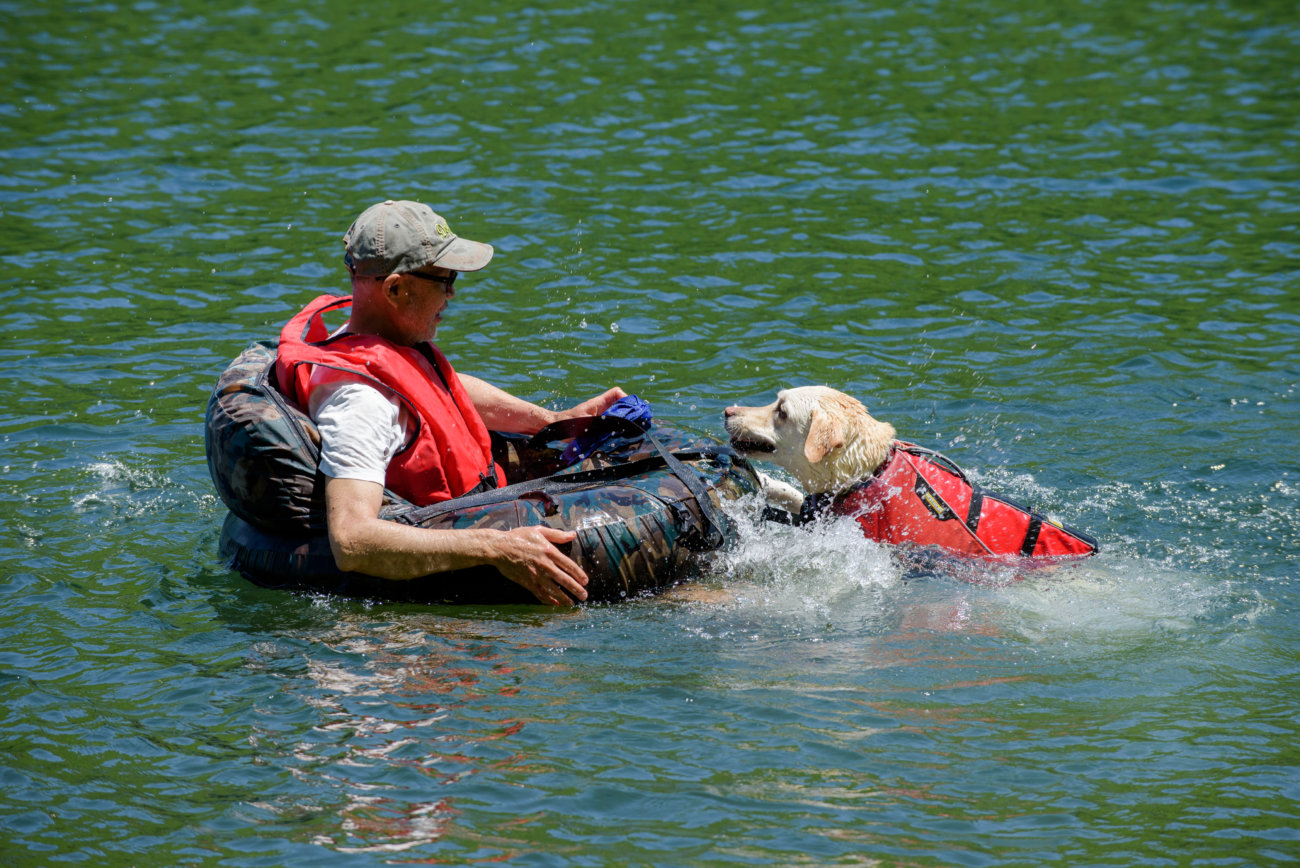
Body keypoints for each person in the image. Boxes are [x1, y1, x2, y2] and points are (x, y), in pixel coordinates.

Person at [274, 199, 627, 606]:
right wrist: (499, 549)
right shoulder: (361, 403)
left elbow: (441, 388)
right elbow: (352, 540)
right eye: (445, 278)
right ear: (394, 288)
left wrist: (553, 420)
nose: (453, 293)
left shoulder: (378, 341)